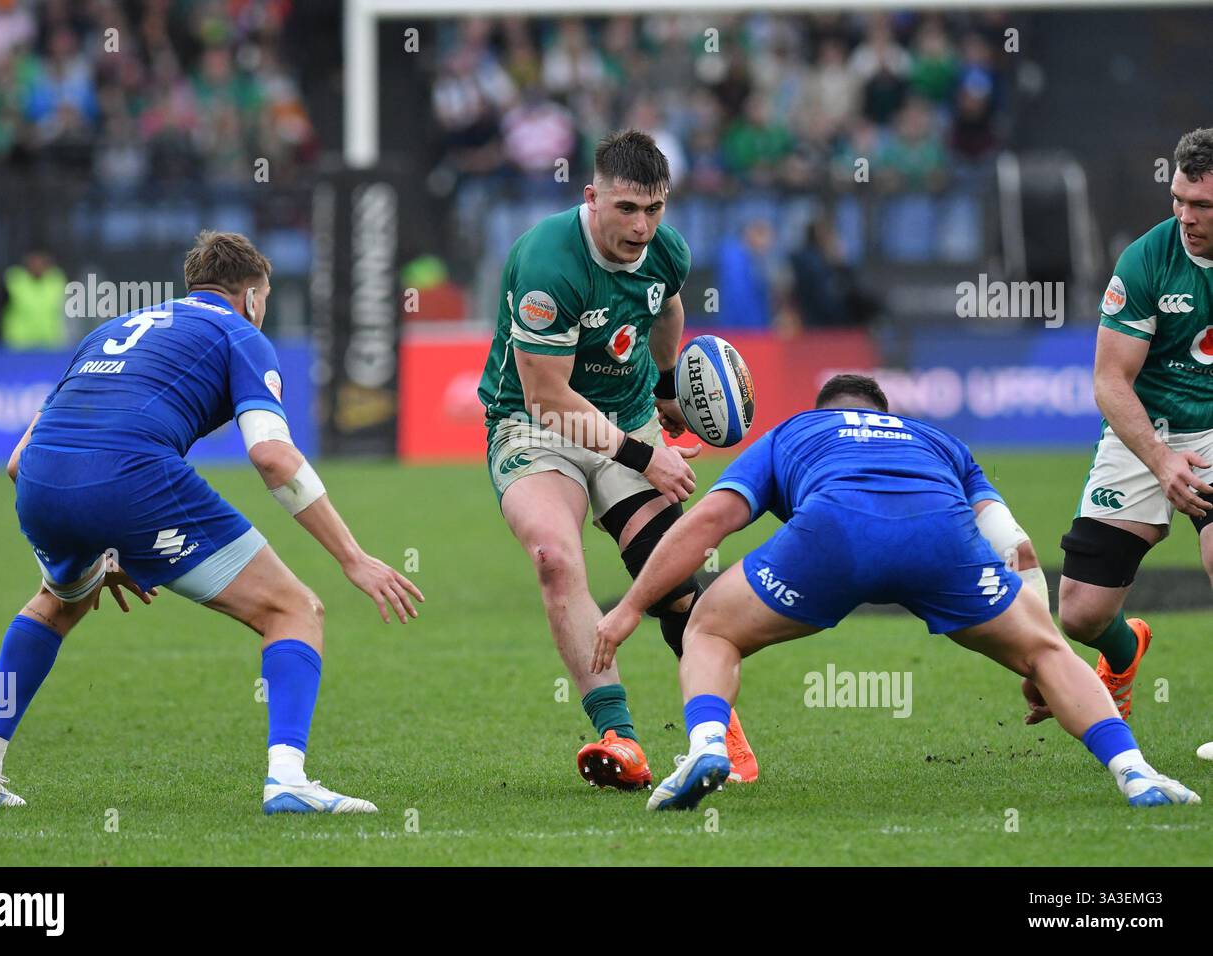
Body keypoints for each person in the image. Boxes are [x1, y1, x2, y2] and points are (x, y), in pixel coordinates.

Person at [0, 231, 422, 815]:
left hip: (40, 481)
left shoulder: (110, 330)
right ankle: (288, 781)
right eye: (264, 300)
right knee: (293, 609)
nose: (261, 312)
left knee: (58, 601)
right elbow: (272, 455)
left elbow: (17, 460)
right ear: (250, 296)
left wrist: (105, 546)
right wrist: (353, 557)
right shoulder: (239, 334)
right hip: (130, 476)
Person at [593, 374, 1198, 811]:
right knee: (1051, 653)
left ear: (823, 409)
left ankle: (706, 745)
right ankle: (1135, 771)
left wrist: (629, 608)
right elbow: (1018, 549)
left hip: (834, 536)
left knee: (709, 628)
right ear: (886, 412)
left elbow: (707, 523)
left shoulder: (795, 430)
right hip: (939, 539)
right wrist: (1035, 649)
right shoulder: (937, 442)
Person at [476, 129, 759, 790]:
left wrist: (664, 392)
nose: (642, 226)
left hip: (628, 416)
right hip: (533, 425)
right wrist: (646, 456)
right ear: (592, 197)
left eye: (655, 209)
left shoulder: (667, 251)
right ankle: (620, 739)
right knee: (553, 556)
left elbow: (666, 309)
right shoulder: (548, 259)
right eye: (627, 209)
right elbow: (548, 397)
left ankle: (715, 728)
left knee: (674, 583)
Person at [1056, 129, 1213, 760]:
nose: (1185, 216)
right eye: (1178, 198)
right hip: (1145, 429)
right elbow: (1109, 381)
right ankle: (1125, 652)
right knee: (1080, 613)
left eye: (1202, 205)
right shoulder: (1146, 260)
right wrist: (1161, 459)